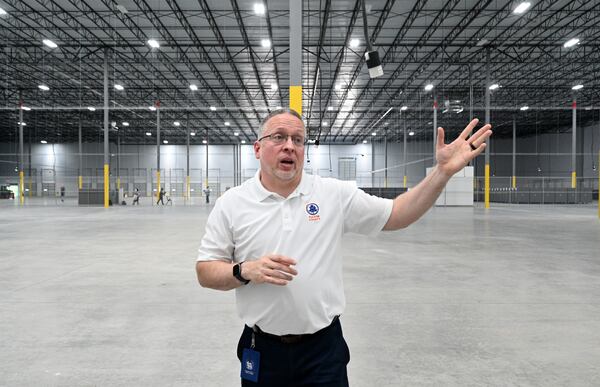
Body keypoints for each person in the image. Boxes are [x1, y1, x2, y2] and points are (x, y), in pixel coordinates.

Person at [196, 109, 492, 386]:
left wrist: (442, 173)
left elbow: (397, 213)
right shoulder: (232, 203)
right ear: (258, 148)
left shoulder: (332, 194)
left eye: (298, 140)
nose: (289, 146)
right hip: (261, 349)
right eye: (278, 137)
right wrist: (244, 269)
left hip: (323, 351)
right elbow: (206, 271)